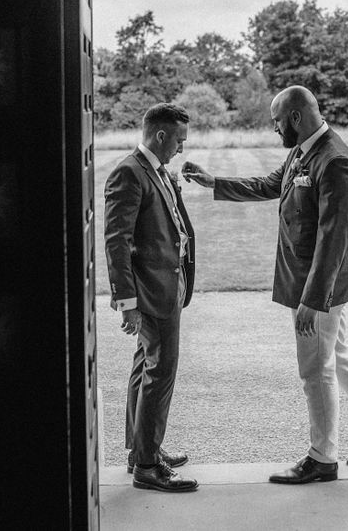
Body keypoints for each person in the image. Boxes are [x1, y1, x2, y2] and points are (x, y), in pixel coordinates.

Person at [183, 85, 348, 484]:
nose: (274, 129)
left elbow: (332, 237)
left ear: (296, 118)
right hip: (310, 284)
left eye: (276, 121)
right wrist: (214, 182)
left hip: (317, 287)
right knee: (338, 355)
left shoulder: (335, 161)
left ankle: (322, 458)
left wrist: (313, 299)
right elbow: (270, 185)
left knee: (315, 370)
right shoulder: (303, 150)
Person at [104, 103, 199, 493]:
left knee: (146, 368)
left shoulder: (154, 170)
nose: (181, 147)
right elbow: (116, 242)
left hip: (168, 285)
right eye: (179, 139)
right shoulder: (128, 172)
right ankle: (147, 466)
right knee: (160, 374)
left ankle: (141, 451)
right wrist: (127, 302)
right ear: (161, 135)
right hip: (151, 291)